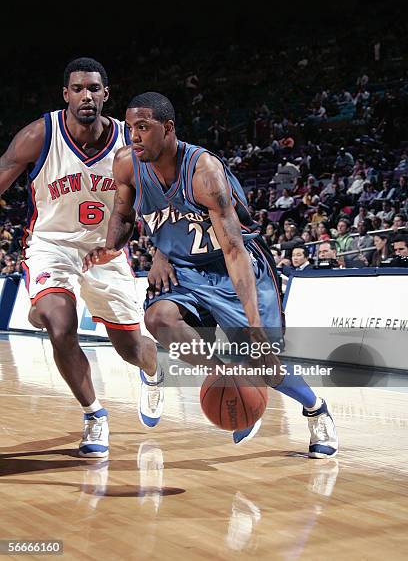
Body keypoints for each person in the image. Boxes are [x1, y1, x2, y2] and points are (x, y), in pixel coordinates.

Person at [84, 92, 338, 459]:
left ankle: (316, 409)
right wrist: (115, 247)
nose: (134, 136)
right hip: (185, 269)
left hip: (231, 265)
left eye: (143, 127)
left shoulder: (204, 173)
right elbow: (124, 217)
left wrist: (253, 326)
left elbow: (234, 250)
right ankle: (227, 376)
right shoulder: (127, 163)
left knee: (263, 360)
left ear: (168, 128)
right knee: (158, 318)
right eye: (130, 128)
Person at [0, 58, 164, 459]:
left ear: (106, 94)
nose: (86, 95)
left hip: (108, 250)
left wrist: (161, 250)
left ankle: (154, 371)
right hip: (51, 245)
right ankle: (94, 414)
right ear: (65, 95)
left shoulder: (132, 141)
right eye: (78, 88)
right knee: (61, 325)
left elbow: (165, 195)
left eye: (93, 88)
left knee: (131, 348)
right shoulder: (40, 135)